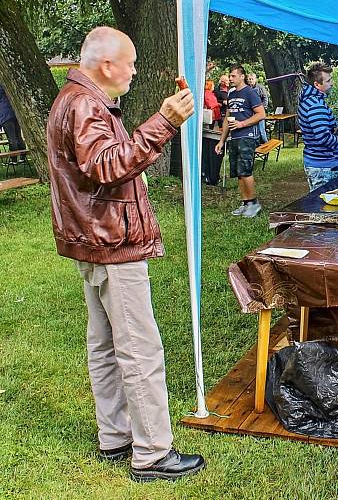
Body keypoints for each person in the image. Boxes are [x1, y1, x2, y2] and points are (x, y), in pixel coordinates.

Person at [46, 26, 205, 482]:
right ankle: (153, 452)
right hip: (112, 245)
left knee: (105, 345)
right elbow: (107, 166)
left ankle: (115, 436)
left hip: (94, 240)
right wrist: (165, 121)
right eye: (131, 63)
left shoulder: (73, 100)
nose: (135, 71)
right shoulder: (85, 105)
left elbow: (95, 167)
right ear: (107, 65)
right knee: (138, 349)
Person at [215, 64, 266, 218]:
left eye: (233, 76)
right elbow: (226, 119)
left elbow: (261, 114)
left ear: (242, 76)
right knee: (238, 172)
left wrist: (242, 124)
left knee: (245, 170)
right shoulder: (231, 94)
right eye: (229, 76)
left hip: (247, 135)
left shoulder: (250, 93)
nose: (230, 79)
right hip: (235, 137)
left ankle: (254, 203)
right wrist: (221, 141)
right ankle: (245, 203)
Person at [297, 62, 338, 191]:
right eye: (328, 80)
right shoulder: (315, 105)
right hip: (323, 165)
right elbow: (324, 138)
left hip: (318, 162)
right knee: (323, 207)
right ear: (317, 84)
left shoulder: (311, 100)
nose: (331, 83)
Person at [0, 83, 26, 163]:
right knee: (18, 137)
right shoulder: (9, 85)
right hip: (15, 113)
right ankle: (22, 157)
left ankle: (13, 160)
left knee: (11, 139)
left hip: (5, 115)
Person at [247, 72, 270, 144]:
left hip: (260, 112)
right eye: (249, 79)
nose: (250, 80)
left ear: (255, 79)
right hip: (251, 113)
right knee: (253, 130)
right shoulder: (247, 89)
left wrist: (263, 108)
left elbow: (265, 98)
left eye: (252, 79)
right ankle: (256, 145)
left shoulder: (260, 88)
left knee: (261, 130)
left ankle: (266, 144)